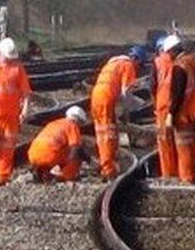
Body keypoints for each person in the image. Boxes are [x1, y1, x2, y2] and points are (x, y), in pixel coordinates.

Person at [0, 38, 32, 186]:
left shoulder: (18, 69)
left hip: (11, 115)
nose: (10, 59)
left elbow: (26, 91)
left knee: (8, 147)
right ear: (1, 53)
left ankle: (1, 176)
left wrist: (25, 108)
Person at [163, 35, 195, 184]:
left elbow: (177, 93)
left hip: (186, 113)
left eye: (168, 53)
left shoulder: (180, 66)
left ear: (172, 51)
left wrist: (171, 114)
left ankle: (188, 178)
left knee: (184, 145)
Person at [90, 46, 147, 180]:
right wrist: (127, 112)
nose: (139, 68)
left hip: (96, 98)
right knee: (108, 136)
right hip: (106, 99)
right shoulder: (128, 65)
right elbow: (126, 92)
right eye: (141, 64)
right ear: (136, 59)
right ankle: (108, 169)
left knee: (102, 134)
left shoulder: (112, 64)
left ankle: (108, 164)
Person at [28, 106, 92, 182]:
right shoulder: (72, 125)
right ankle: (64, 176)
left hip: (32, 155)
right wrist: (64, 165)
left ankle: (44, 173)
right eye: (81, 123)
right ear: (77, 119)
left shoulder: (54, 123)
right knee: (75, 154)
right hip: (49, 156)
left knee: (58, 148)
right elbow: (76, 148)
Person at [152, 36, 178, 178]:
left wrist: (155, 105)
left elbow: (152, 86)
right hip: (177, 106)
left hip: (162, 107)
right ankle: (181, 171)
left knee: (164, 142)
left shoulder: (157, 63)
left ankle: (168, 173)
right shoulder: (179, 62)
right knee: (179, 141)